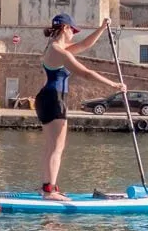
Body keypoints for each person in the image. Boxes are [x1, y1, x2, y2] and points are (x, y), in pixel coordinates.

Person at [35, 14, 117, 196]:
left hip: (45, 98)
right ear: (65, 28)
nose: (74, 33)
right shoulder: (60, 52)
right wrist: (114, 84)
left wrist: (102, 28)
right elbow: (86, 73)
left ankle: (46, 187)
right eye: (72, 30)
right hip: (54, 99)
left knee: (50, 146)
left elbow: (85, 44)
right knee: (57, 148)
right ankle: (50, 191)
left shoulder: (52, 48)